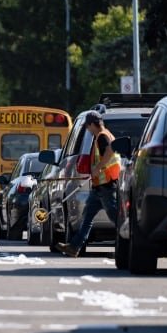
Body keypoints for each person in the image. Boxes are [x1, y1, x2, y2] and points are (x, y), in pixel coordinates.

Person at [57, 111, 121, 258]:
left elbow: (110, 150)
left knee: (115, 217)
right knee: (87, 216)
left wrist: (98, 168)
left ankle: (131, 242)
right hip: (99, 186)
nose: (88, 129)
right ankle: (74, 247)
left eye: (88, 126)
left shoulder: (102, 136)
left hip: (106, 185)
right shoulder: (106, 134)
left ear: (93, 124)